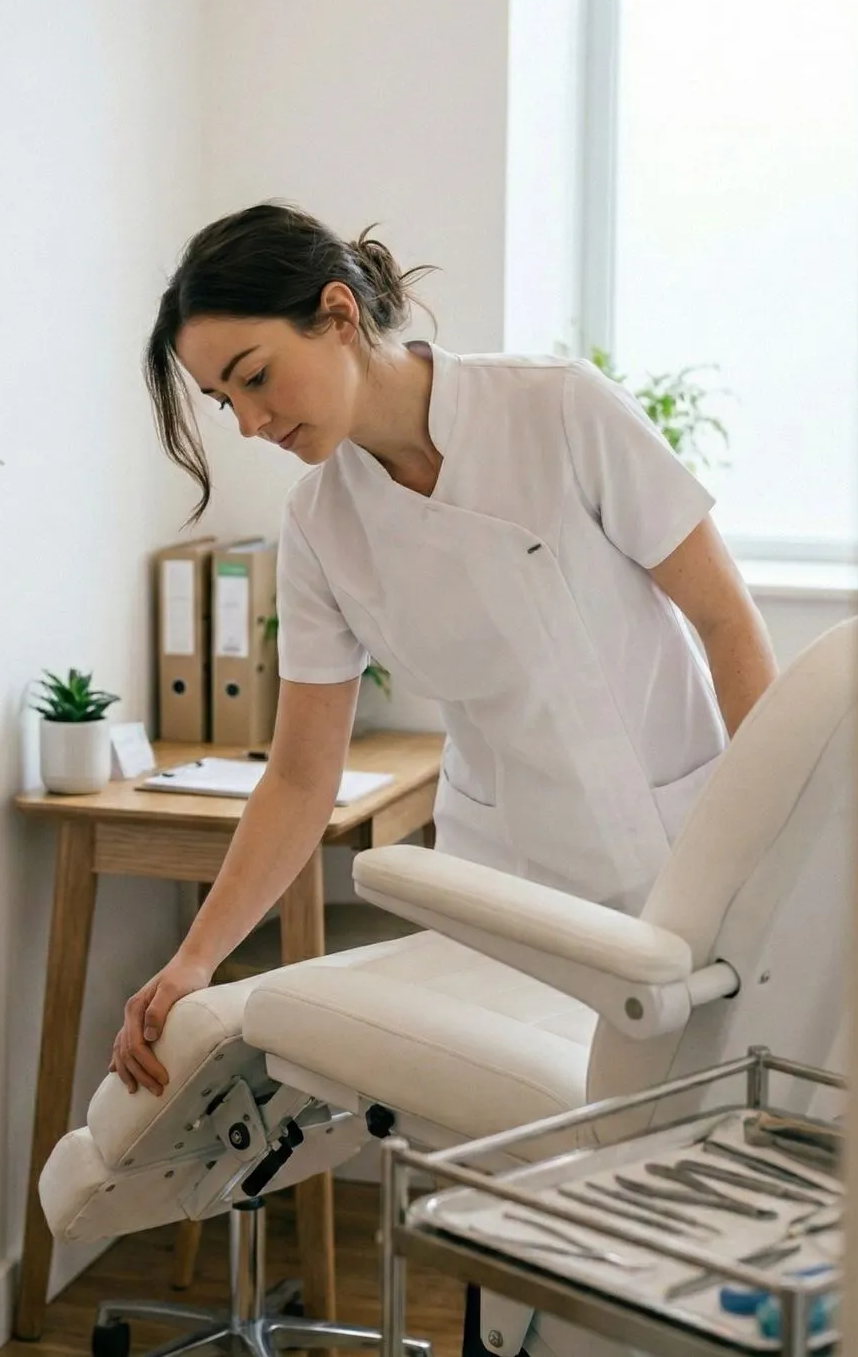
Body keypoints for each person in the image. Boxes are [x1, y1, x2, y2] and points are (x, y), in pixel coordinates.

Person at [114, 203, 777, 1095]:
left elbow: (727, 621)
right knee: (519, 1162)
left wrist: (776, 839)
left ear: (339, 315)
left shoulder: (559, 408)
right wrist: (194, 961)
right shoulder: (321, 525)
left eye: (256, 376)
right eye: (225, 400)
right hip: (505, 887)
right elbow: (303, 776)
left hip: (681, 846)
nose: (249, 423)